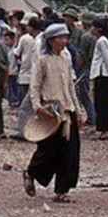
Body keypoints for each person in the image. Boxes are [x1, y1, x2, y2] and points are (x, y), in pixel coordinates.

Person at [23, 22, 81, 203]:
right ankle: (31, 172)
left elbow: (70, 86)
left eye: (66, 37)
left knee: (70, 152)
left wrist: (77, 110)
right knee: (48, 150)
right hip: (51, 109)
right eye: (61, 38)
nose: (64, 41)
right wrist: (37, 106)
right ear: (51, 40)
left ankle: (62, 190)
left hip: (67, 109)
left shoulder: (66, 57)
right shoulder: (42, 60)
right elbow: (35, 85)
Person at [13, 17, 42, 139]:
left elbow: (16, 54)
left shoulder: (36, 41)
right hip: (34, 76)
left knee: (26, 106)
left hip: (31, 76)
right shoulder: (40, 40)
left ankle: (23, 131)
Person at [89, 19, 108, 140]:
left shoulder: (102, 41)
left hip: (103, 74)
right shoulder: (101, 41)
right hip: (100, 74)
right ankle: (101, 127)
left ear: (98, 29)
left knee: (102, 103)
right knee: (99, 102)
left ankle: (105, 129)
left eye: (93, 27)